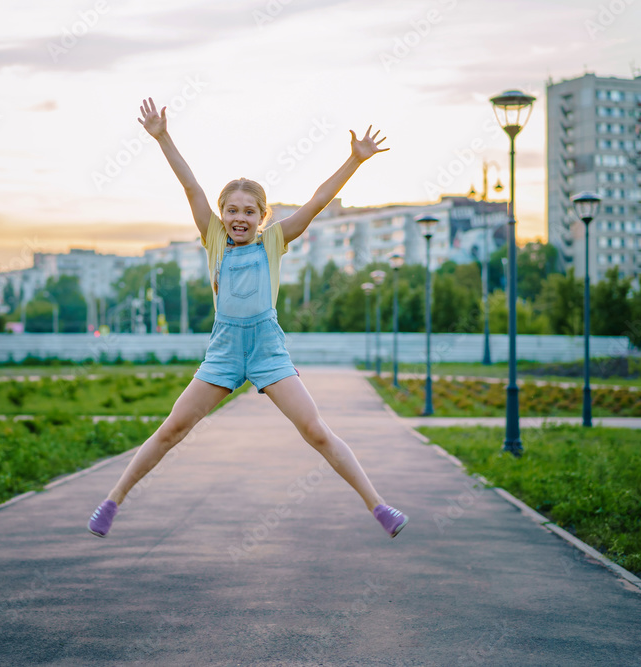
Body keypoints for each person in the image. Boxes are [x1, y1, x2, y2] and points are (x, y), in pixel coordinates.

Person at [88, 98, 407, 540]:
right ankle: (112, 500)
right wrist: (162, 136)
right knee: (174, 427)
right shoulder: (214, 241)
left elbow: (317, 201)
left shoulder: (273, 243)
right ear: (222, 217)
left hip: (267, 351)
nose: (239, 217)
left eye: (249, 211)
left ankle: (379, 506)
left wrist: (353, 159)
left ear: (262, 217)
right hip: (223, 353)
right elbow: (192, 189)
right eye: (232, 211)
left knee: (315, 430)